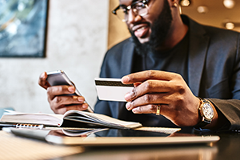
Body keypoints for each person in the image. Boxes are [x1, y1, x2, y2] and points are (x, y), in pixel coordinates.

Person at [39, 0, 240, 131]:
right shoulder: (115, 55)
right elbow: (106, 123)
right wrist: (77, 116)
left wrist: (199, 109)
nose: (132, 18)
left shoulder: (232, 45)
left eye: (141, 4)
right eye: (125, 9)